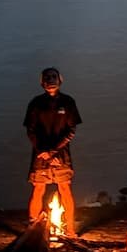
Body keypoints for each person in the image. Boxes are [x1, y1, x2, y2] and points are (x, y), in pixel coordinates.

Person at [23, 66, 82, 238]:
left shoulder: (68, 102)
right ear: (42, 82)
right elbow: (30, 130)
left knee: (65, 188)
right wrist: (42, 151)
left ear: (60, 80)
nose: (51, 81)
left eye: (54, 77)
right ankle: (32, 228)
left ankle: (70, 230)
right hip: (40, 154)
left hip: (61, 154)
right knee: (38, 188)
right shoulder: (35, 103)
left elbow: (71, 130)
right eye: (47, 78)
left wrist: (53, 151)